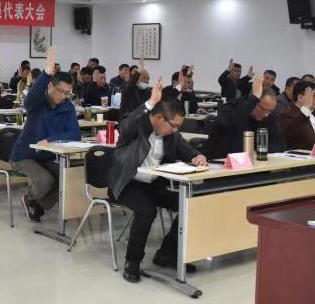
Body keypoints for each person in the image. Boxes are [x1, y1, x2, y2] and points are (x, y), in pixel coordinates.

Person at [108, 83, 208, 283]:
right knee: (147, 210)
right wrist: (150, 103)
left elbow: (187, 150)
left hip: (153, 184)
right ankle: (132, 261)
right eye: (174, 125)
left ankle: (167, 253)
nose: (176, 130)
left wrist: (198, 156)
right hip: (127, 183)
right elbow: (126, 124)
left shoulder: (171, 135)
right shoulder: (136, 128)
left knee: (188, 204)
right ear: (159, 118)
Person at [10, 49, 81, 223]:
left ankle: (37, 205)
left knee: (68, 177)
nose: (63, 96)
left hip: (49, 156)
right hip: (25, 156)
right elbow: (29, 101)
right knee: (45, 180)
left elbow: (74, 134)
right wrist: (46, 73)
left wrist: (50, 140)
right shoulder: (38, 103)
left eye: (67, 93)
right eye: (60, 91)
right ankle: (30, 198)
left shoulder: (68, 107)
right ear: (50, 86)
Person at [202, 75, 286, 159]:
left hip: (250, 162)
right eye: (262, 109)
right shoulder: (231, 108)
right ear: (252, 101)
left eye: (270, 111)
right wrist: (255, 97)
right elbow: (232, 123)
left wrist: (256, 151)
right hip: (219, 159)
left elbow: (280, 145)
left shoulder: (269, 117)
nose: (266, 114)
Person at [278, 81, 315, 150]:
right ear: (300, 98)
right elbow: (285, 134)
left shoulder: (312, 113)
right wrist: (305, 110)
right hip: (301, 155)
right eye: (313, 96)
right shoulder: (287, 114)